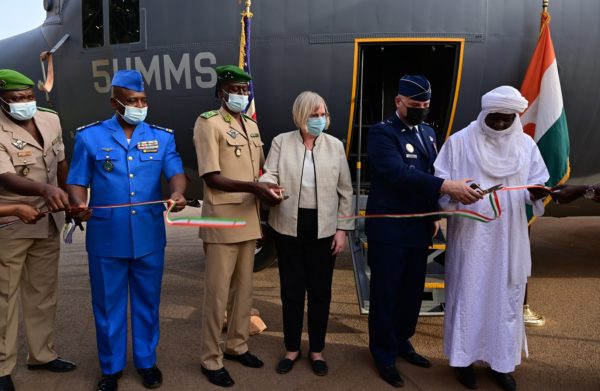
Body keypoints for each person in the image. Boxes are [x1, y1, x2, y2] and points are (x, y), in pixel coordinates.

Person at [66, 70, 187, 391]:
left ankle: (147, 362)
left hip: (148, 237)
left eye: (143, 100)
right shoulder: (90, 138)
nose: (139, 105)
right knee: (108, 306)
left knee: (148, 303)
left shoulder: (162, 137)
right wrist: (78, 205)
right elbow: (77, 180)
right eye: (132, 100)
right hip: (106, 238)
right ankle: (111, 368)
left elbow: (175, 172)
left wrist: (177, 193)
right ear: (114, 103)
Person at [365, 74, 482, 388]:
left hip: (419, 228)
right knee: (386, 294)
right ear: (399, 101)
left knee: (411, 293)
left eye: (426, 105)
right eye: (415, 105)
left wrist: (435, 212)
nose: (421, 109)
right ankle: (383, 353)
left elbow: (433, 171)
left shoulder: (429, 133)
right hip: (389, 230)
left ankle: (402, 341)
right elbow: (397, 173)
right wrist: (446, 187)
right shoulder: (381, 133)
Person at [434, 86, 550, 391]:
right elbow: (440, 184)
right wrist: (455, 192)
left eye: (506, 119)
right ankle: (463, 361)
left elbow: (534, 185)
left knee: (505, 300)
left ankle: (501, 363)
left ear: (515, 117)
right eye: (494, 118)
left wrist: (536, 193)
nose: (499, 124)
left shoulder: (525, 146)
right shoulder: (459, 142)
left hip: (508, 238)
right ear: (485, 114)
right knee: (468, 295)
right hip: (470, 238)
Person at [193, 65, 282, 388]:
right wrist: (254, 188)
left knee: (244, 291)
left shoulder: (251, 127)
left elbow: (258, 171)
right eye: (235, 90)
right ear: (221, 92)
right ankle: (210, 358)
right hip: (221, 221)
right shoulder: (209, 124)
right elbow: (210, 176)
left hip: (248, 220)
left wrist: (269, 187)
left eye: (245, 91)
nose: (241, 96)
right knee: (217, 295)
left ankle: (237, 345)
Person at [259, 91, 354, 376]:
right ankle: (291, 348)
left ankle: (316, 350)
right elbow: (269, 174)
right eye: (314, 114)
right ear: (300, 115)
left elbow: (346, 191)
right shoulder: (281, 142)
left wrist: (342, 230)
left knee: (320, 293)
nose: (320, 119)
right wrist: (266, 185)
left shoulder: (335, 145)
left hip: (324, 229)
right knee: (291, 292)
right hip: (288, 226)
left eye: (323, 113)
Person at [0, 69, 76, 391]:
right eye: (17, 99)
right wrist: (44, 191)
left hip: (48, 221)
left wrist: (70, 198)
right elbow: (5, 177)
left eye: (29, 97)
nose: (25, 103)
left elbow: (60, 162)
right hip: (14, 222)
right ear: (2, 101)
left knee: (42, 293)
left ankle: (42, 354)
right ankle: (2, 368)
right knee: (5, 297)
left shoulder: (50, 119)